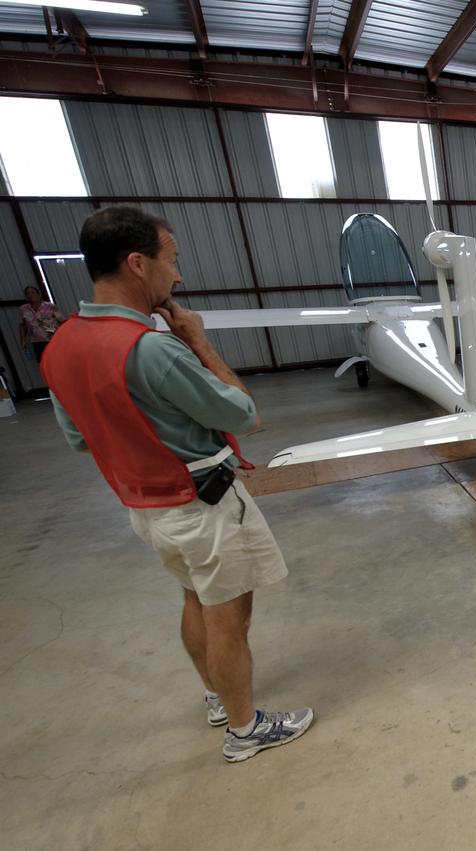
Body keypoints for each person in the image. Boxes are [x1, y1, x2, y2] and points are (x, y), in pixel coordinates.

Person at [41, 206, 313, 761]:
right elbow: (242, 413)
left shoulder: (62, 346)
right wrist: (200, 343)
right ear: (137, 264)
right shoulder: (153, 348)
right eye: (172, 260)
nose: (178, 276)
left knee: (195, 597)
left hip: (147, 508)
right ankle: (244, 730)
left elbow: (79, 439)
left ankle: (218, 698)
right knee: (228, 615)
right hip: (202, 505)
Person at [18, 285, 67, 362]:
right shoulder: (23, 309)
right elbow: (23, 325)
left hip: (53, 339)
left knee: (59, 361)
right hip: (37, 341)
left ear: (38, 294)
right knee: (44, 363)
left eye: (33, 293)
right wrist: (23, 340)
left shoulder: (50, 306)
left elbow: (63, 321)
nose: (30, 295)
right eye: (28, 294)